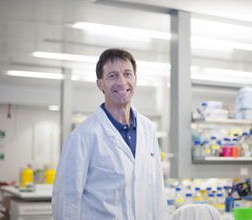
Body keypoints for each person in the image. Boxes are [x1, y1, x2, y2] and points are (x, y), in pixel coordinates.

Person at [52, 48, 169, 220]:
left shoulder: (147, 129)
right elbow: (66, 201)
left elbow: (158, 191)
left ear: (135, 79)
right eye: (112, 76)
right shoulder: (82, 136)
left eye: (128, 74)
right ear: (100, 84)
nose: (122, 82)